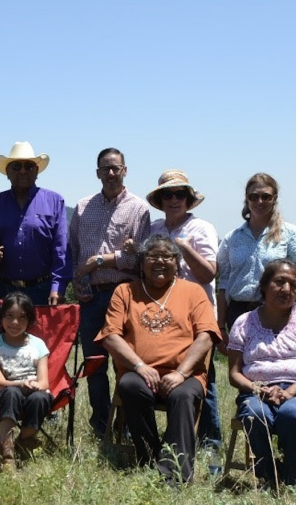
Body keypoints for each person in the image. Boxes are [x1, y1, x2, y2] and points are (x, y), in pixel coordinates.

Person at [100, 235, 220, 484]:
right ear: (141, 262)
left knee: (182, 395)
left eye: (167, 256)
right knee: (130, 386)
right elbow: (110, 336)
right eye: (153, 256)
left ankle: (175, 475)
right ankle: (150, 454)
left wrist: (181, 373)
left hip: (185, 374)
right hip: (140, 372)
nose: (160, 262)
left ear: (177, 262)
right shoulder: (125, 292)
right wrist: (139, 366)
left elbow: (207, 336)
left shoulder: (193, 291)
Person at [227, 259, 296, 489]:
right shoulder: (244, 322)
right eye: (279, 282)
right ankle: (269, 477)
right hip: (257, 393)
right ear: (264, 286)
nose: (287, 289)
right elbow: (234, 374)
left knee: (291, 413)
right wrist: (257, 389)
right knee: (254, 413)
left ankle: (292, 477)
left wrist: (290, 392)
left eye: (293, 285)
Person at [69, 147, 151, 438]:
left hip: (124, 294)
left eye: (116, 168)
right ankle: (100, 423)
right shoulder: (82, 207)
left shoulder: (138, 209)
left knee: (125, 363)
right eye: (106, 169)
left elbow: (140, 259)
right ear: (98, 173)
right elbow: (75, 253)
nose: (111, 173)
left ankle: (125, 426)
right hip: (91, 297)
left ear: (125, 170)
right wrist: (78, 283)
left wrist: (103, 260)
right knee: (94, 364)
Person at [146, 169, 222, 458]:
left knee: (202, 376)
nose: (174, 199)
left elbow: (208, 273)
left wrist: (186, 248)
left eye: (180, 194)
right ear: (161, 200)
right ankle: (172, 436)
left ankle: (210, 442)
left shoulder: (202, 229)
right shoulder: (154, 230)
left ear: (189, 199)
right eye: (168, 194)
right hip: (162, 315)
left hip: (196, 314)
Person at [216, 173, 296, 337]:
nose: (260, 201)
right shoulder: (232, 237)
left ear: (274, 198)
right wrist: (221, 326)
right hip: (237, 314)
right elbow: (223, 283)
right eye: (254, 196)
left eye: (266, 196)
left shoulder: (290, 233)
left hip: (277, 313)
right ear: (247, 199)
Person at [0, 142, 68, 306]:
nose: (22, 171)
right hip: (5, 290)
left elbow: (61, 248)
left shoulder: (54, 201)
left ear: (36, 171)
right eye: (16, 166)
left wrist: (58, 287)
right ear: (7, 172)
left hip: (43, 291)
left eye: (28, 166)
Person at [0, 291, 51, 472]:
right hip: (8, 390)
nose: (15, 323)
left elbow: (44, 383)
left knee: (40, 398)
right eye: (9, 316)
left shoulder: (38, 345)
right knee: (11, 393)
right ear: (1, 318)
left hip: (34, 391)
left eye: (22, 318)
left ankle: (22, 443)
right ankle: (8, 456)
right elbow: (0, 382)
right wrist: (20, 383)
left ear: (30, 321)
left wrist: (35, 385)